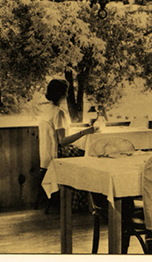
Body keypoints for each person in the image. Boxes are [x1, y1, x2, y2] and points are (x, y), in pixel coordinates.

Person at [35, 78, 94, 212]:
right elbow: (62, 141)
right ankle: (81, 202)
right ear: (61, 94)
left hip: (46, 154)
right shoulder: (58, 113)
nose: (67, 95)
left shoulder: (46, 110)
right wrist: (85, 132)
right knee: (87, 156)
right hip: (57, 154)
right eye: (66, 92)